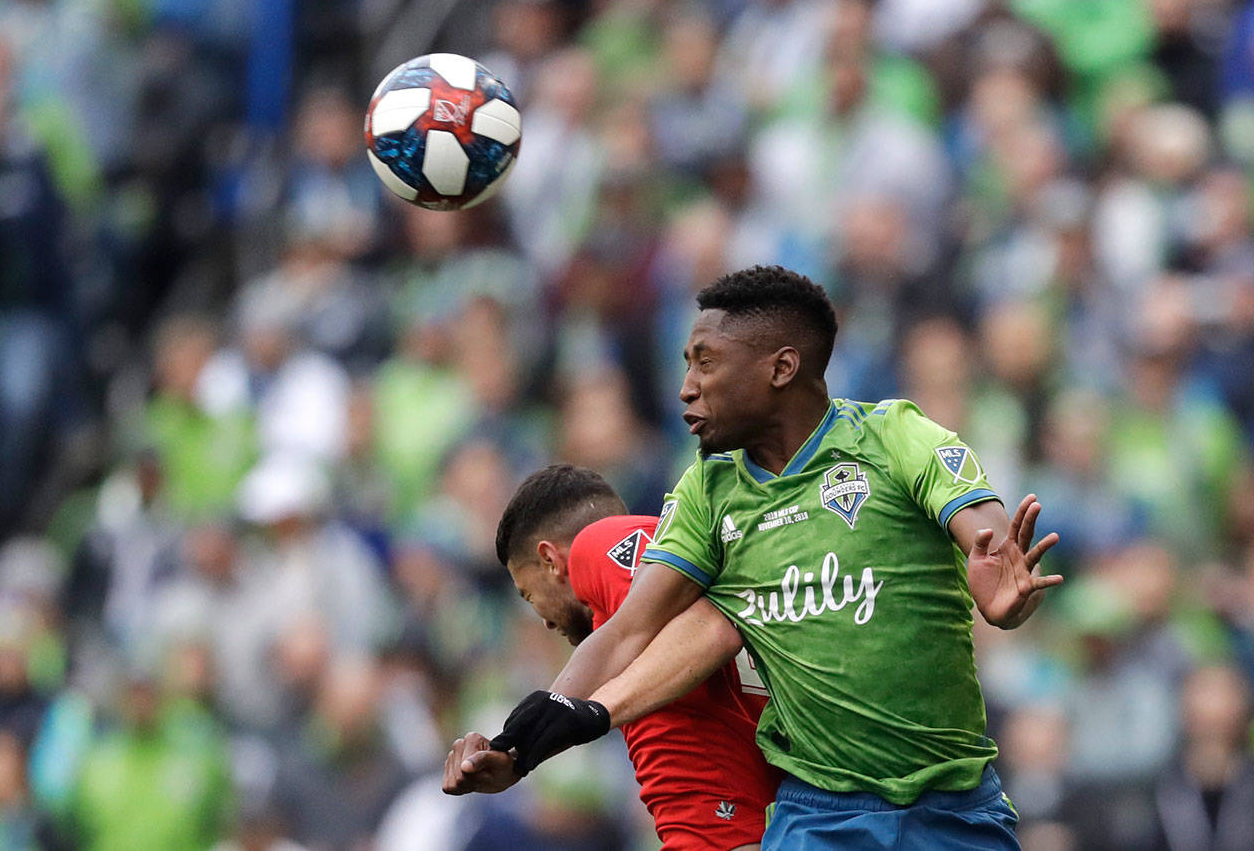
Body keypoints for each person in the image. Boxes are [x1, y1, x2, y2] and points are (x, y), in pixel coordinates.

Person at [450, 266, 1062, 848]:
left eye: (707, 364)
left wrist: (999, 591)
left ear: (781, 368)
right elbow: (625, 633)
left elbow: (985, 538)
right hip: (820, 815)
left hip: (953, 804)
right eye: (687, 364)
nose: (687, 387)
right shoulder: (708, 494)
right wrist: (519, 747)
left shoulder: (896, 437)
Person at [443, 464, 782, 850]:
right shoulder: (664, 610)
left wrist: (528, 745)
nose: (544, 624)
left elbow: (706, 633)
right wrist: (520, 752)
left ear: (551, 560)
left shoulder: (605, 543)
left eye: (528, 595)